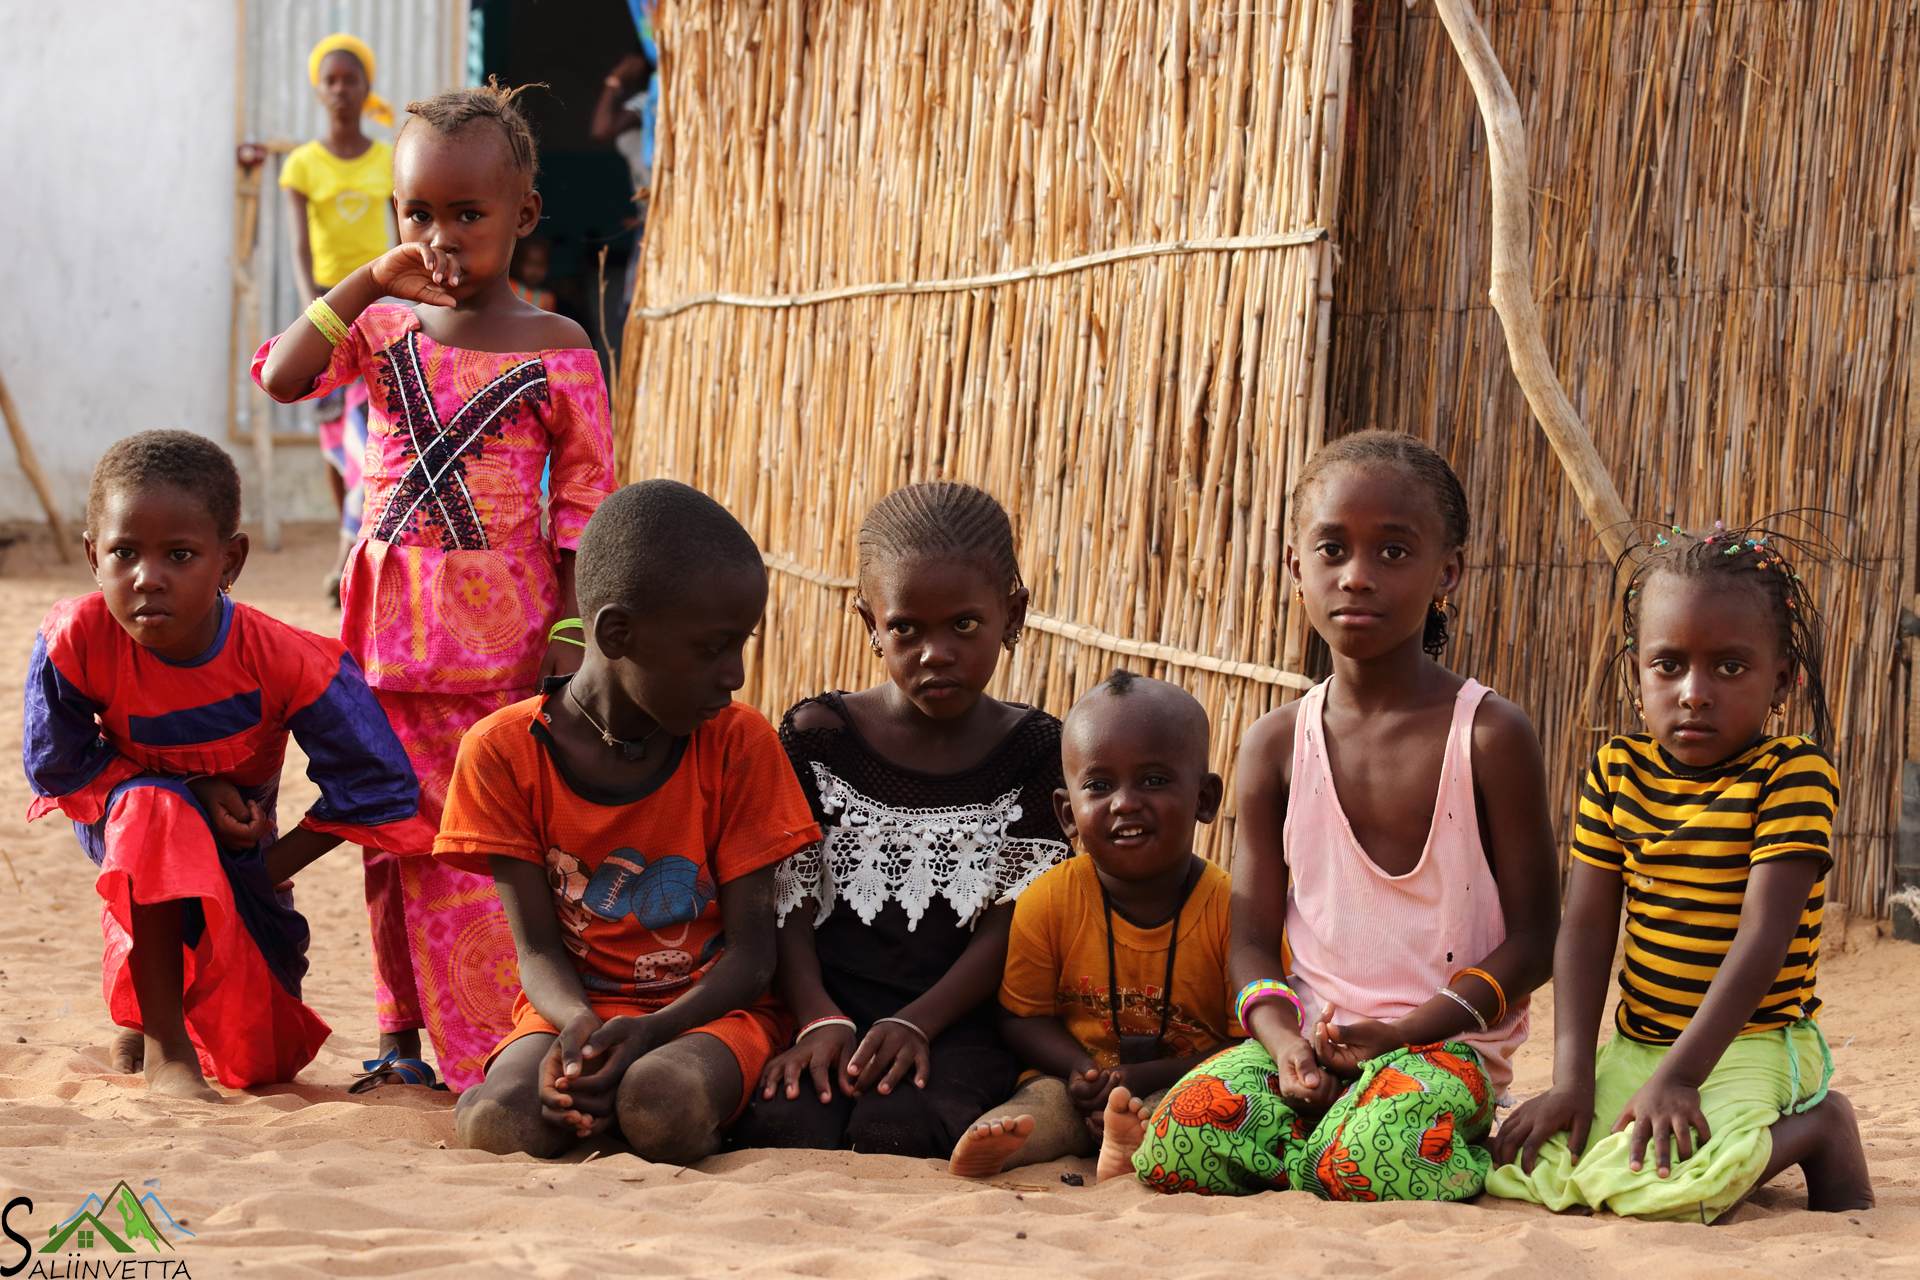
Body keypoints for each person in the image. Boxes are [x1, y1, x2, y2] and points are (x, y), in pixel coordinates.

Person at [254, 82, 618, 1091]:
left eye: (469, 213)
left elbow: (585, 497)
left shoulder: (561, 348)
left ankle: (488, 1045)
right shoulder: (381, 330)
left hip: (500, 643)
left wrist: (575, 624)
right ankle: (398, 1038)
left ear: (523, 216)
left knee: (477, 838)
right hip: (386, 634)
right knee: (385, 832)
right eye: (418, 213)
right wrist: (369, 280)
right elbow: (285, 377)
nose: (442, 236)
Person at [1105, 430, 1561, 1199]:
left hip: (1443, 1047)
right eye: (1331, 550)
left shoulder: (1488, 735)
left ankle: (1389, 1141)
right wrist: (1285, 1045)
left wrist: (1404, 1034)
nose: (1356, 577)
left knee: (1368, 1158)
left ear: (1447, 571)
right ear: (1295, 567)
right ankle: (1326, 1141)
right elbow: (1250, 945)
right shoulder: (1276, 744)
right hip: (1311, 1042)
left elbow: (1537, 943)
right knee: (1181, 1134)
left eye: (1392, 552)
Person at [22, 431, 435, 1099]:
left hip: (244, 859)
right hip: (130, 831)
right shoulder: (75, 640)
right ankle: (164, 1046)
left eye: (180, 555)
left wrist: (257, 877)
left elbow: (378, 786)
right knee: (155, 813)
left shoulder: (285, 659)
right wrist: (187, 790)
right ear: (93, 557)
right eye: (124, 553)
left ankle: (160, 1009)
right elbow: (57, 766)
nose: (148, 577)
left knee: (259, 1064)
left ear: (229, 560)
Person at [1486, 524, 1873, 1219]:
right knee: (1537, 1173)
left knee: (1667, 1193)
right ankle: (1691, 1114)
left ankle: (1822, 1127)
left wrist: (1683, 1077)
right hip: (1641, 1044)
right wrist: (1572, 1079)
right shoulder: (1615, 773)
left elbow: (1764, 935)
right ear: (1638, 674)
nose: (1694, 692)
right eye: (1669, 665)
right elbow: (1586, 927)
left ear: (1781, 678)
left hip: (1756, 1042)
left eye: (1729, 667)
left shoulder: (1791, 777)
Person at [435, 480, 821, 1159]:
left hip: (712, 1013)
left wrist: (651, 1030)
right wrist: (578, 1028)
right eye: (712, 648)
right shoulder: (502, 754)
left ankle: (628, 1099)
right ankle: (578, 1089)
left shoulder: (739, 745)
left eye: (742, 646)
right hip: (572, 1011)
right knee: (497, 1124)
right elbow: (537, 953)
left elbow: (754, 957)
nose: (733, 674)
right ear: (617, 633)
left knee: (661, 1106)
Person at [735, 482, 1071, 1158]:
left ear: (1013, 615)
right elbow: (785, 900)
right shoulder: (817, 736)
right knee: (787, 1126)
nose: (935, 652)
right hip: (823, 1009)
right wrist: (814, 1017)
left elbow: (1014, 926)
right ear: (869, 624)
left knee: (898, 1129)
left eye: (965, 625)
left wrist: (916, 1023)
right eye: (905, 628)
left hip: (956, 1024)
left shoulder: (1038, 753)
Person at [950, 671, 1238, 1178]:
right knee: (1044, 1102)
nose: (1125, 802)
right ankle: (1007, 1140)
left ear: (1205, 798)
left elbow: (1245, 1043)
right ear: (1067, 813)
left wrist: (1143, 1075)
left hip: (1184, 1075)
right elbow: (1022, 1016)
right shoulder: (1049, 899)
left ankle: (1132, 1144)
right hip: (1074, 1077)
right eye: (1100, 786)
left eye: (1153, 779)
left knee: (1190, 1107)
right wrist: (1082, 1069)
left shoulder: (1230, 909)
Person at [280, 33, 398, 606]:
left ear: (366, 88)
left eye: (351, 79)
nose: (342, 89)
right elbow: (300, 249)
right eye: (332, 80)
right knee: (336, 440)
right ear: (319, 91)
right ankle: (347, 539)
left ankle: (346, 553)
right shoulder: (302, 166)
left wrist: (406, 300)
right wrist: (316, 315)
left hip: (377, 310)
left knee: (367, 429)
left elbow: (399, 238)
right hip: (325, 309)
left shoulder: (387, 162)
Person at [509, 235, 558, 313]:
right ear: (516, 263)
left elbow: (547, 323)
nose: (535, 270)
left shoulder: (547, 298)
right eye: (530, 264)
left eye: (540, 265)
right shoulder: (508, 288)